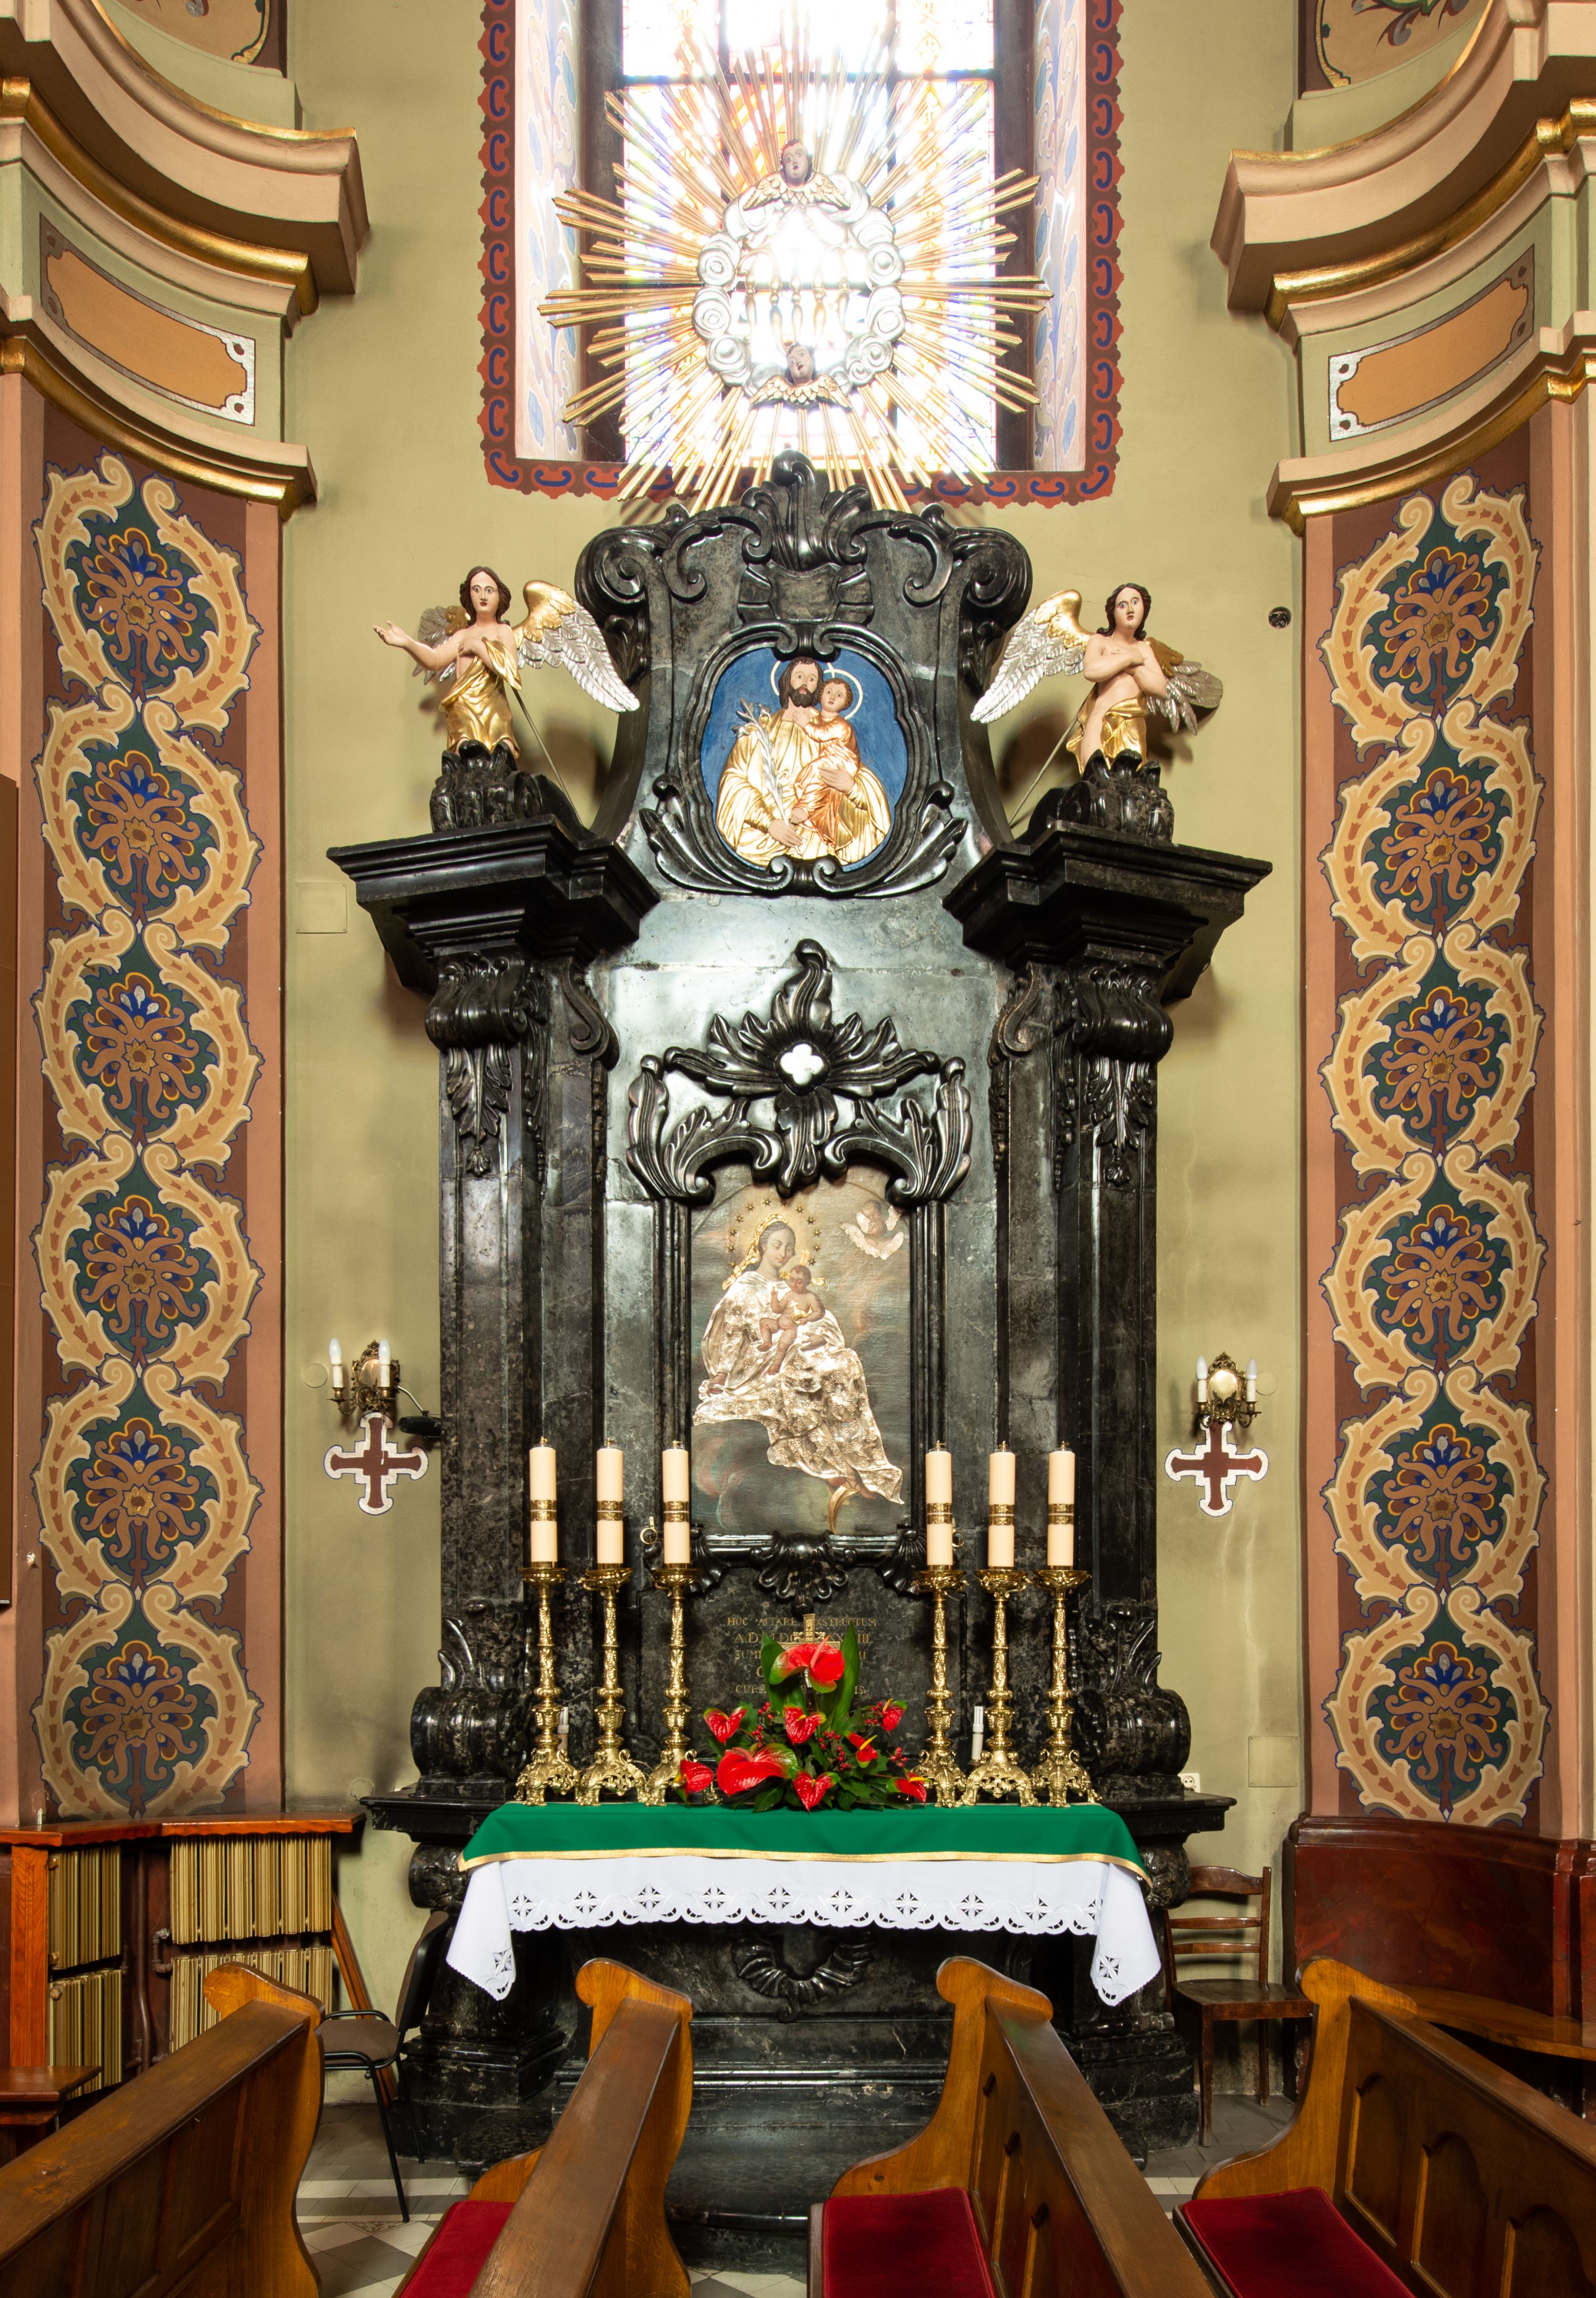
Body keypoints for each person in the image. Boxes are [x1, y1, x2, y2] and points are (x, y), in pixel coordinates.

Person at [697, 1220, 902, 1531]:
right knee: (799, 1381)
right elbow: (730, 1334)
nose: (784, 1253)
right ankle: (841, 1469)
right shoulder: (745, 1287)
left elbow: (821, 1319)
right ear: (763, 1246)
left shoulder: (793, 1289)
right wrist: (722, 1373)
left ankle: (855, 1464)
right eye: (777, 1245)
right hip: (757, 1361)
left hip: (799, 1349)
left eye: (789, 1247)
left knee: (843, 1362)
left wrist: (820, 1337)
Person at [713, 658, 891, 868]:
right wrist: (769, 823)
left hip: (816, 839)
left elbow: (864, 781)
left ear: (819, 688)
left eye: (812, 679)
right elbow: (733, 781)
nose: (805, 683)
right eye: (799, 677)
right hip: (764, 837)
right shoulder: (759, 730)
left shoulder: (830, 730)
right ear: (787, 681)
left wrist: (851, 788)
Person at [375, 567, 521, 754]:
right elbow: (436, 659)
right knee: (464, 752)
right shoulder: (462, 635)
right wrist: (407, 643)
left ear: (499, 595)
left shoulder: (503, 632)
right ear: (469, 595)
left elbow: (509, 669)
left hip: (494, 708)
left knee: (504, 751)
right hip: (464, 706)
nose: (483, 596)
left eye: (489, 590)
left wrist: (477, 646)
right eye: (476, 589)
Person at [1065, 582, 1171, 771]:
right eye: (1122, 605)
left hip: (1131, 725)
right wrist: (1129, 658)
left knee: (1132, 778)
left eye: (1135, 602)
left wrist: (1134, 669)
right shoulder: (1100, 641)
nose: (1130, 609)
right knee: (1095, 773)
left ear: (1144, 609)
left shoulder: (1144, 649)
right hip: (1101, 719)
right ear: (1113, 613)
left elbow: (1160, 688)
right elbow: (1092, 671)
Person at [757, 1264, 825, 1375]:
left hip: (791, 1329)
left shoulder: (810, 1297)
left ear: (807, 1282)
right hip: (779, 1323)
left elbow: (819, 1312)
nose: (794, 1284)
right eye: (792, 1280)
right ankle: (767, 1343)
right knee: (764, 1322)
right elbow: (778, 1309)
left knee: (782, 1345)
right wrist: (774, 1298)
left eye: (799, 1282)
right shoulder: (789, 1295)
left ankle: (776, 1366)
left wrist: (807, 1319)